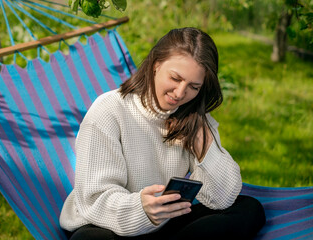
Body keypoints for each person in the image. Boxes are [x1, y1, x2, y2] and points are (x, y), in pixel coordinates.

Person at [60, 27, 266, 240]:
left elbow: (222, 197)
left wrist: (202, 144)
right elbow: (93, 199)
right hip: (106, 223)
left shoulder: (193, 117)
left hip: (163, 224)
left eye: (194, 87)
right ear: (156, 65)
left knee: (249, 208)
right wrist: (142, 208)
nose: (180, 93)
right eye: (175, 78)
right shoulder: (109, 110)